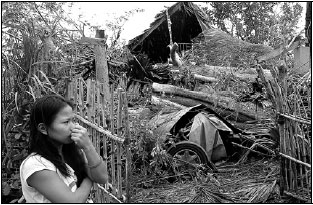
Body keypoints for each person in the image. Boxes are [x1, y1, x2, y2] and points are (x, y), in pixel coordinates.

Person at [19, 94, 108, 203]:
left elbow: (102, 178)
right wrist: (89, 177)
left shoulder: (69, 152)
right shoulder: (36, 165)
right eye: (66, 122)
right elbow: (73, 202)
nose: (73, 127)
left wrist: (88, 146)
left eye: (73, 120)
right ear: (43, 128)